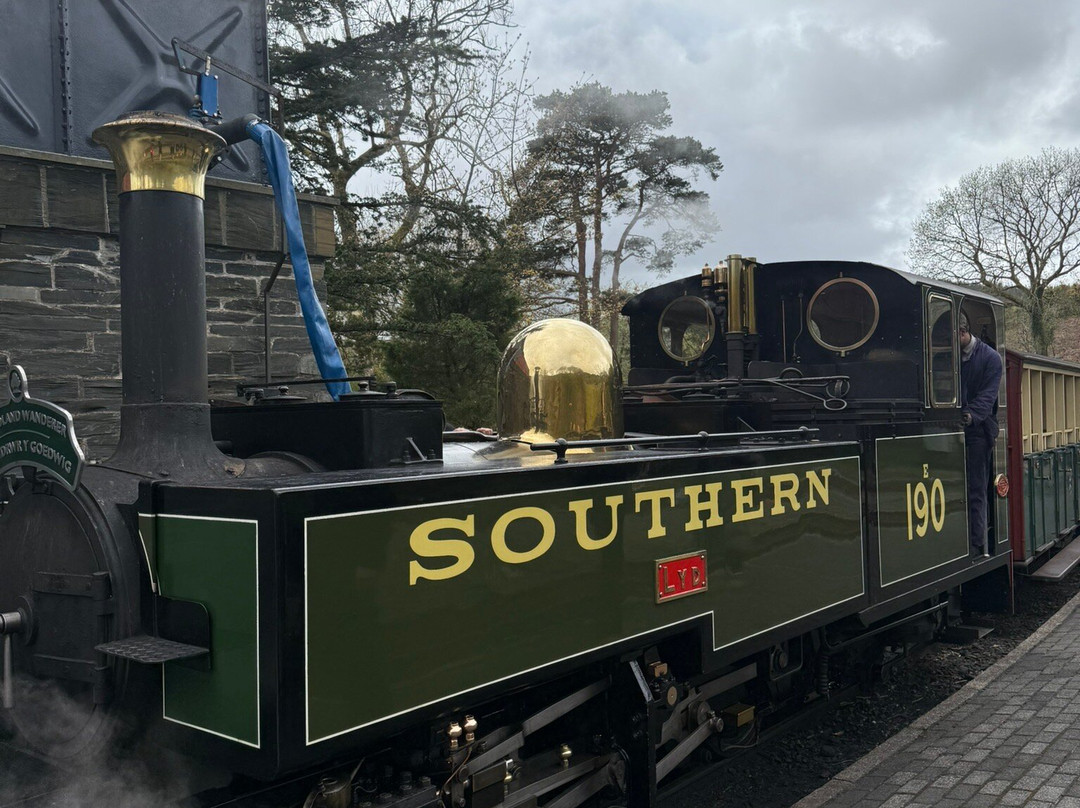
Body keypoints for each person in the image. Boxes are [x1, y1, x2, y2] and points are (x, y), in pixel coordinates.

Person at [959, 312, 1002, 557]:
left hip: (978, 430)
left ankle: (978, 543)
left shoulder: (991, 358)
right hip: (951, 427)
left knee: (976, 486)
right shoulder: (949, 355)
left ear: (962, 333)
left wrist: (970, 415)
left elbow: (988, 397)